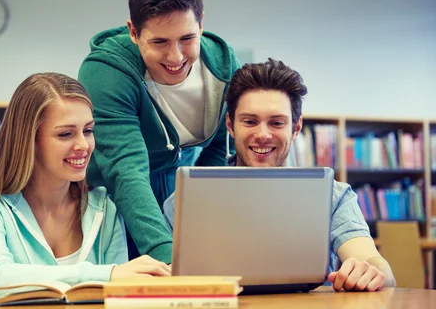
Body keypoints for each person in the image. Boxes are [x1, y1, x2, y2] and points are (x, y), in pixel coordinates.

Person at [164, 58, 396, 292]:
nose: (263, 134)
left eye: (276, 123)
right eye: (250, 121)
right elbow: (161, 271)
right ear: (231, 125)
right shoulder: (189, 196)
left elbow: (375, 265)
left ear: (295, 128)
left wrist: (370, 271)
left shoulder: (332, 195)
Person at [77, 0, 241, 264]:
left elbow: (217, 150)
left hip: (180, 210)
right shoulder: (106, 73)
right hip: (114, 213)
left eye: (188, 38)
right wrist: (170, 260)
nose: (175, 56)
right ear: (134, 33)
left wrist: (199, 230)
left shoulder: (222, 67)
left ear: (201, 23)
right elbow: (126, 172)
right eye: (160, 42)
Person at [0, 73, 171, 301]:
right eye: (65, 134)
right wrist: (105, 275)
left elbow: (113, 298)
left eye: (88, 130)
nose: (83, 145)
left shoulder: (104, 207)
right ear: (29, 140)